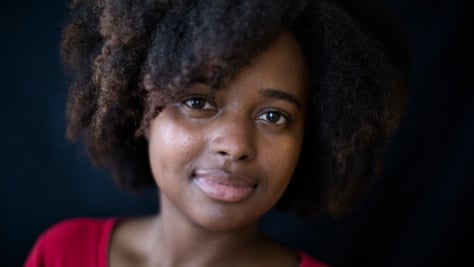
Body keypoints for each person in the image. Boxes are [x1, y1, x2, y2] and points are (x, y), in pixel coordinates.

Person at [25, 0, 409, 266]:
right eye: (197, 103)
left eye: (274, 116)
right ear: (138, 110)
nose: (236, 145)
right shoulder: (61, 254)